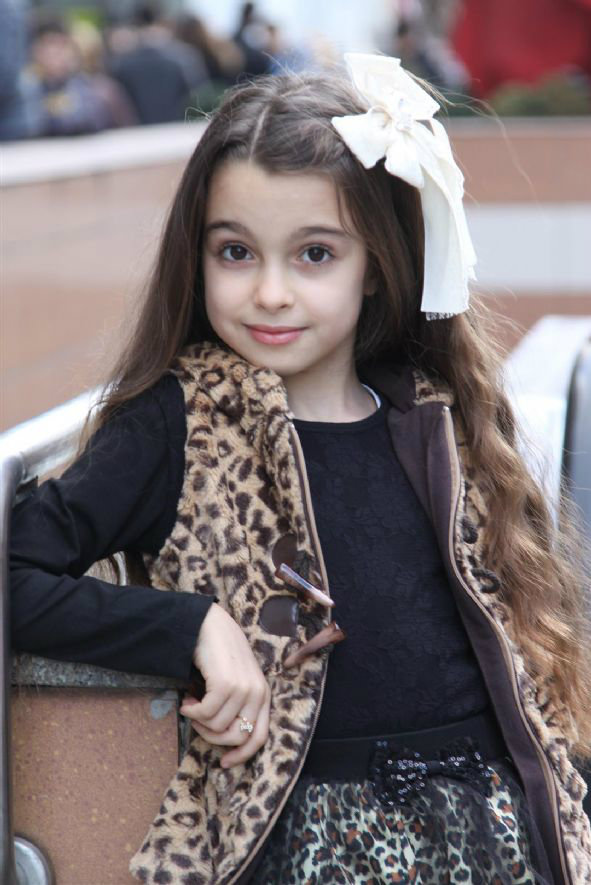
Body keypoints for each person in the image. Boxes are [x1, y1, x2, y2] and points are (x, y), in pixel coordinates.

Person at [9, 53, 591, 884]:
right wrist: (191, 625)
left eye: (314, 254)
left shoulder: (439, 420)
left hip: (490, 846)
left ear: (376, 265)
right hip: (301, 851)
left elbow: (525, 673)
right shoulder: (179, 424)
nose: (271, 292)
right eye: (235, 252)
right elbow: (15, 571)